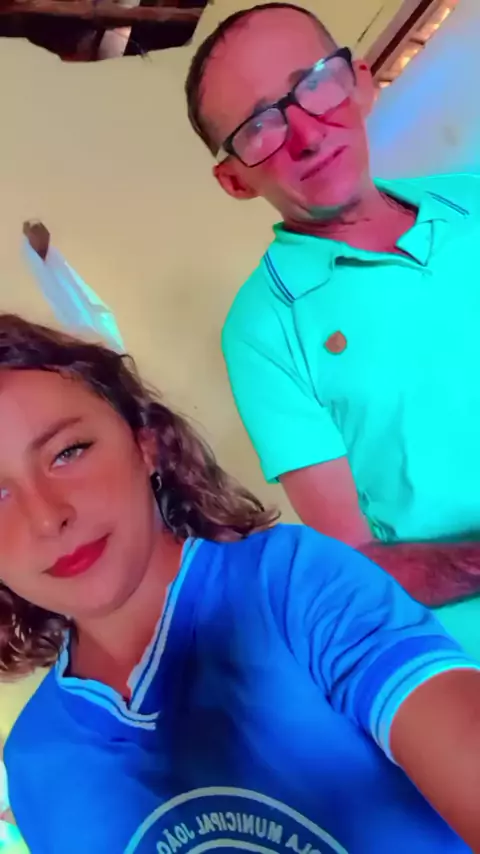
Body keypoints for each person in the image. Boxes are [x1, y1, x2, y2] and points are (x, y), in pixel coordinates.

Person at [1, 314, 480, 853]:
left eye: (68, 452)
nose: (48, 517)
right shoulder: (35, 764)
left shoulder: (290, 584)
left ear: (146, 445)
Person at [184, 2, 480, 656]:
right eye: (259, 126)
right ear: (234, 180)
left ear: (361, 81)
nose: (307, 136)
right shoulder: (262, 331)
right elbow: (357, 558)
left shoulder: (475, 197)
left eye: (314, 84)